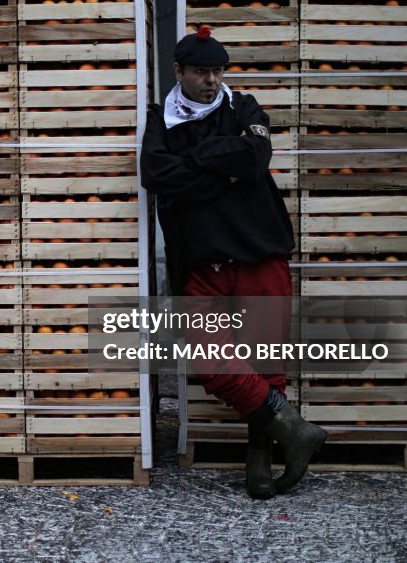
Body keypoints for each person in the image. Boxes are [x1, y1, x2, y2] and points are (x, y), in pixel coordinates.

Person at [140, 25, 327, 498]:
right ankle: (296, 431)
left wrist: (198, 164)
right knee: (207, 358)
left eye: (218, 71)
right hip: (202, 261)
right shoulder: (161, 118)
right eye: (201, 71)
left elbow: (255, 157)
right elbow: (155, 173)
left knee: (267, 362)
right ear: (179, 70)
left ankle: (260, 456)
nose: (211, 80)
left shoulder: (244, 106)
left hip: (260, 250)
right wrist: (225, 169)